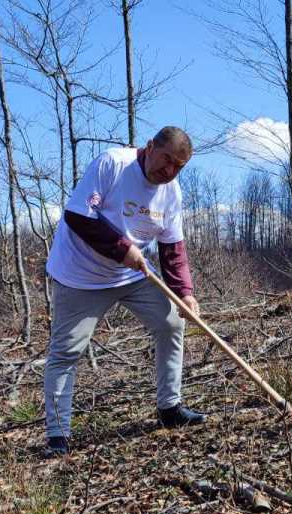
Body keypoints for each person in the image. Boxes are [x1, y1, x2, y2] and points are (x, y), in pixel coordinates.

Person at [42, 126, 204, 457]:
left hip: (132, 274)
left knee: (172, 322)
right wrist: (121, 248)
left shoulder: (171, 193)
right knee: (66, 351)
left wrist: (185, 293)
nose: (169, 171)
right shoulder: (113, 164)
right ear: (150, 147)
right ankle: (58, 436)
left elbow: (173, 249)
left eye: (179, 167)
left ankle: (170, 408)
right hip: (80, 276)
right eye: (166, 160)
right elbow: (78, 216)